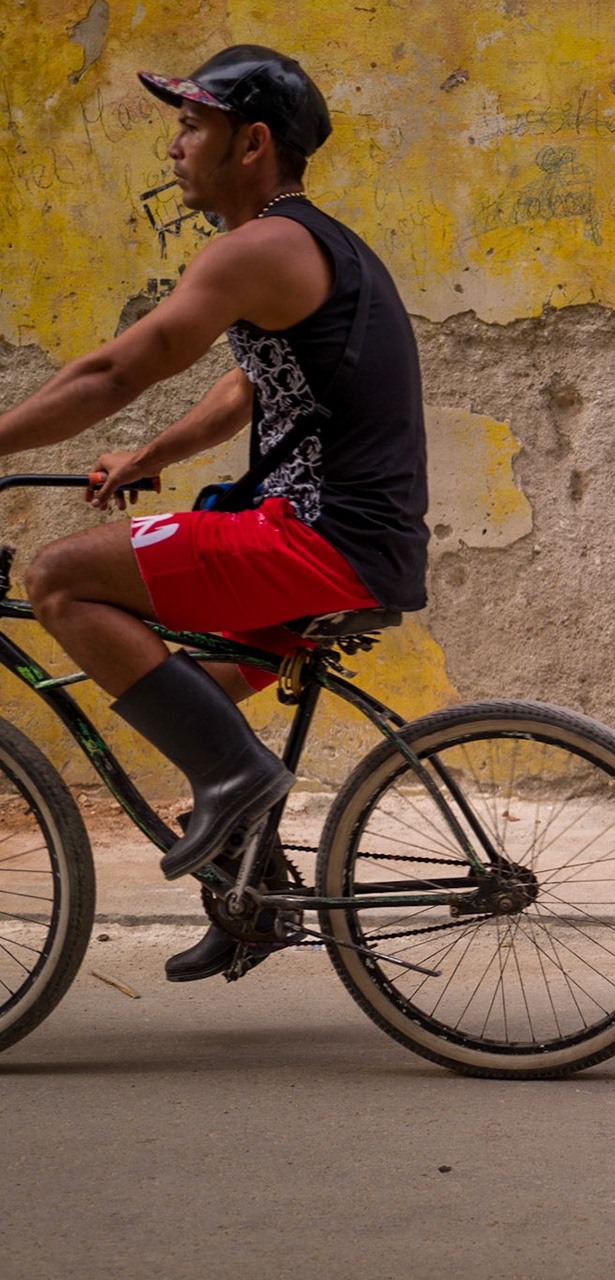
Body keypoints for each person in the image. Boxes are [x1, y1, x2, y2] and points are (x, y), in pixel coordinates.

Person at [0, 46, 430, 981]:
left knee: (62, 578)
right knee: (187, 677)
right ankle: (253, 892)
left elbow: (115, 370)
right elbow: (252, 383)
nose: (175, 148)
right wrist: (152, 453)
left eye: (192, 126)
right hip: (345, 539)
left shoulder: (259, 248)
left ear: (253, 142)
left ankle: (234, 782)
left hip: (317, 541)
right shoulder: (306, 244)